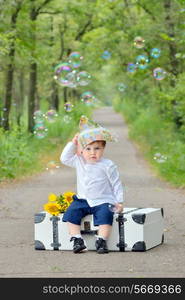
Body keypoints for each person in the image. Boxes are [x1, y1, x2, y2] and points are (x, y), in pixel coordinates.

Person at [60, 115, 124, 254]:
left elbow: (116, 183)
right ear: (81, 150)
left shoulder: (107, 165)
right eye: (88, 149)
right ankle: (77, 239)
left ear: (103, 149)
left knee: (106, 215)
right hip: (83, 199)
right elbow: (64, 158)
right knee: (71, 213)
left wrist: (119, 201)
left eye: (97, 148)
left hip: (103, 200)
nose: (92, 152)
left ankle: (101, 240)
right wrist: (73, 142)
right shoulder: (79, 161)